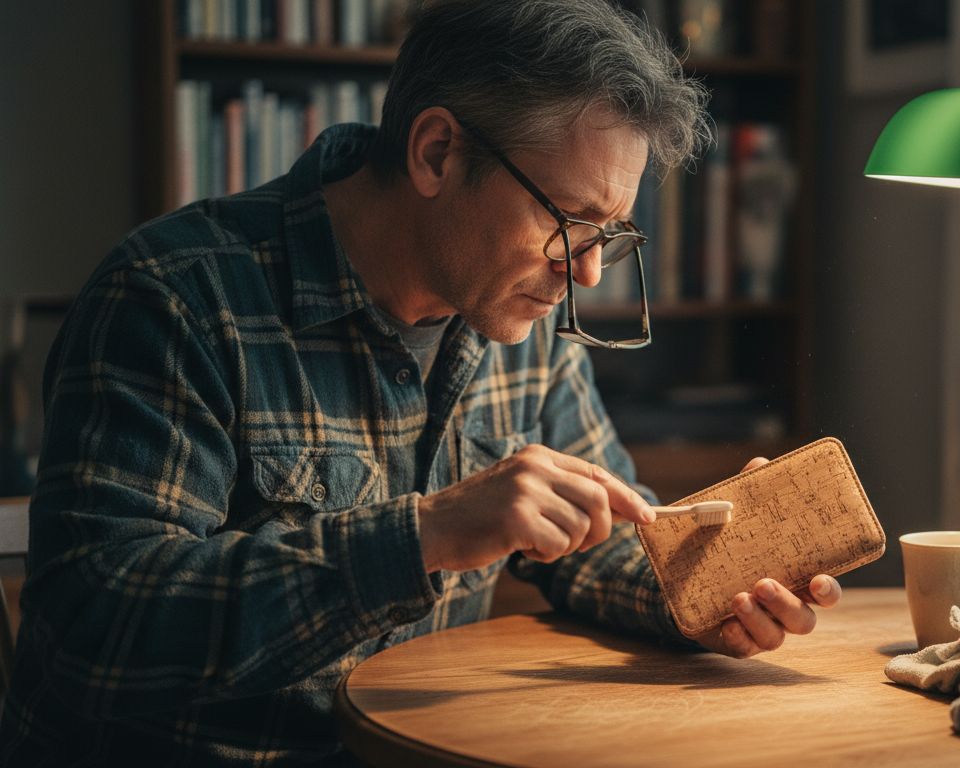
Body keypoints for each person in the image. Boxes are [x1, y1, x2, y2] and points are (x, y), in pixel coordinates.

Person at [0, 1, 840, 764]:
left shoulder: (520, 317)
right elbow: (94, 630)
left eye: (610, 235)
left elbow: (601, 543)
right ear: (437, 152)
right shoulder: (176, 297)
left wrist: (707, 587)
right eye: (568, 224)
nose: (586, 273)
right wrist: (426, 534)